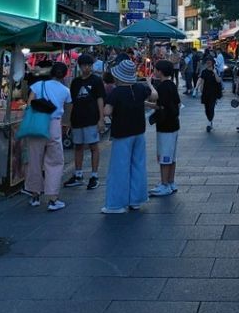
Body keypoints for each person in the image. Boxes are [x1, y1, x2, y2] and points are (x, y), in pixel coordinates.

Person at [101, 59, 156, 213]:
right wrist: (150, 84)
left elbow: (107, 112)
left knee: (119, 168)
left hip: (122, 133)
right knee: (138, 165)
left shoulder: (116, 92)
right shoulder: (139, 88)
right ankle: (136, 200)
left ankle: (116, 204)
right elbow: (154, 96)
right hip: (139, 131)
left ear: (119, 76)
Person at [24, 62, 72, 211]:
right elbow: (68, 111)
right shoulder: (66, 90)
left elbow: (29, 104)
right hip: (54, 125)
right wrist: (66, 126)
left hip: (37, 123)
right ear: (65, 75)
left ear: (51, 72)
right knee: (55, 161)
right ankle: (52, 198)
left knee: (34, 159)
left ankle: (35, 196)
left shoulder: (38, 85)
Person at [64, 54, 106, 190]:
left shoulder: (97, 81)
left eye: (88, 65)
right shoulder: (75, 82)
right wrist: (69, 119)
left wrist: (101, 119)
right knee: (78, 146)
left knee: (94, 146)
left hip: (92, 119)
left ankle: (94, 175)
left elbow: (100, 100)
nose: (86, 68)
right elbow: (71, 102)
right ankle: (78, 174)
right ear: (80, 66)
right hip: (77, 119)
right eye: (84, 65)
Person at [147, 59, 181, 196]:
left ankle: (164, 184)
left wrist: (149, 85)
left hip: (165, 126)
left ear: (159, 72)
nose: (154, 71)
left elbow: (157, 103)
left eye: (155, 69)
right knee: (171, 156)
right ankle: (171, 182)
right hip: (174, 124)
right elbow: (177, 103)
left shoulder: (161, 87)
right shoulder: (172, 85)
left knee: (164, 157)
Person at [196, 56, 222, 132]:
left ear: (212, 63)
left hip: (214, 92)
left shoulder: (216, 70)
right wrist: (197, 88)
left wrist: (214, 73)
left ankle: (209, 122)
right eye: (207, 62)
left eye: (209, 62)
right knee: (206, 109)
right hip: (205, 92)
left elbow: (219, 81)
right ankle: (209, 120)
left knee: (211, 107)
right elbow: (201, 79)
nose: (208, 63)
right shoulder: (204, 71)